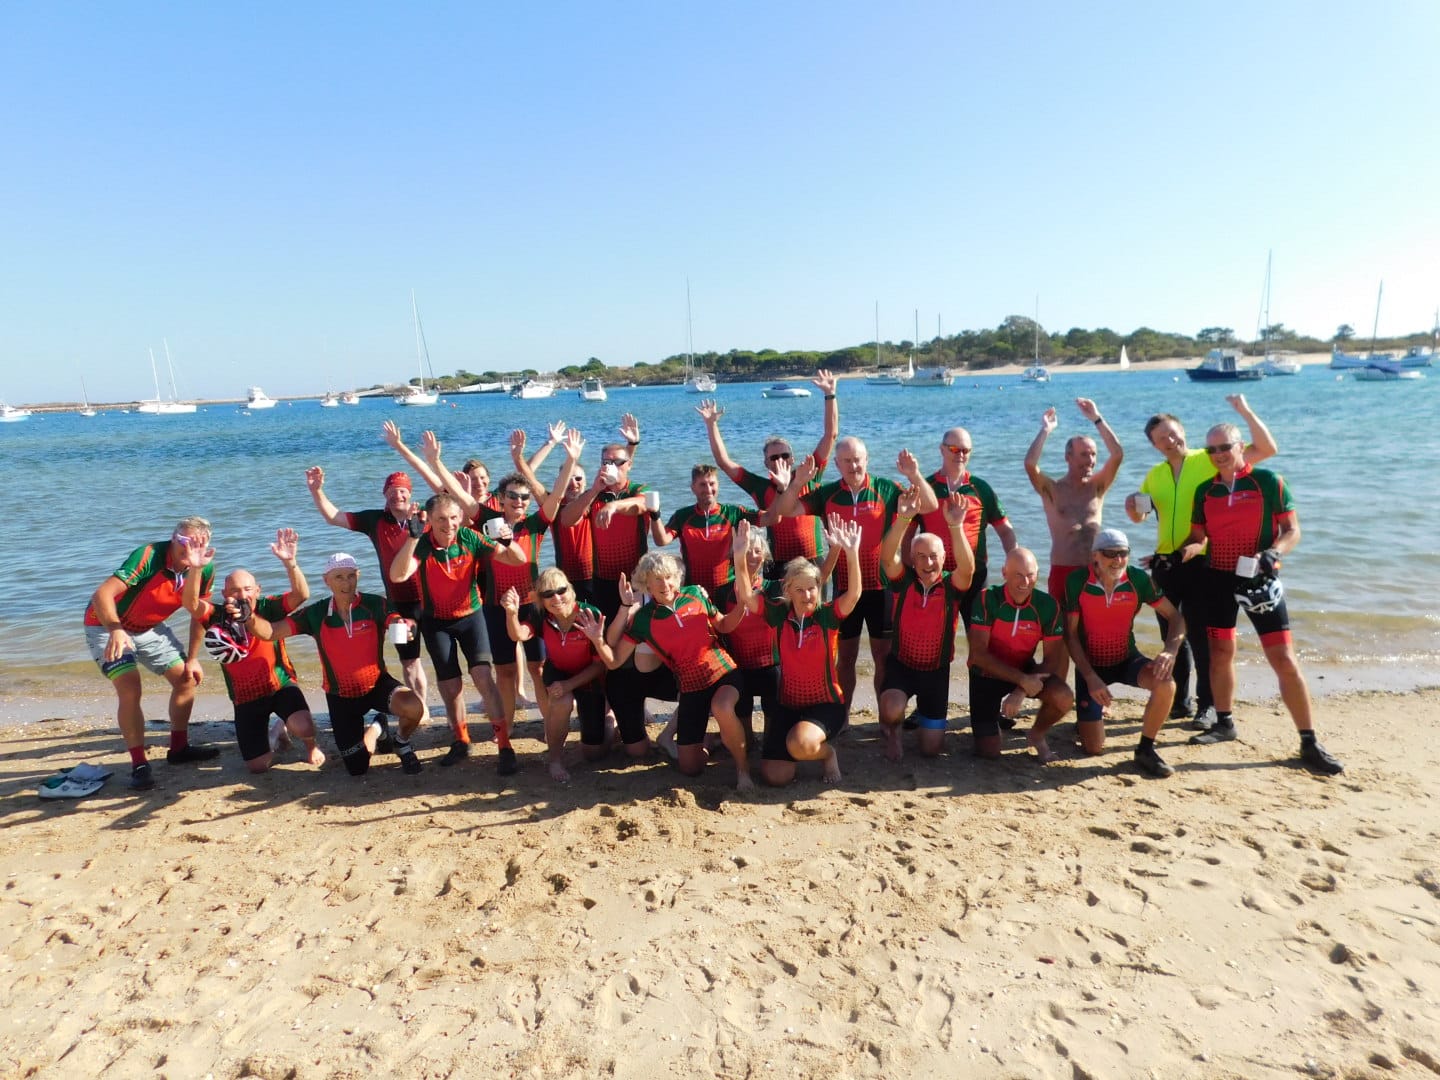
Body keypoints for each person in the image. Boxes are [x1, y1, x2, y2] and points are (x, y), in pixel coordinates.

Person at [1177, 425, 1344, 774]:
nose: (1218, 454)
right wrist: (1183, 553)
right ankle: (1224, 723)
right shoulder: (1205, 490)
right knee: (1220, 652)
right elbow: (1198, 536)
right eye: (1211, 450)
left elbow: (1292, 530)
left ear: (1241, 446)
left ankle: (1309, 741)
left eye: (1225, 446)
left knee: (1282, 657)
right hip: (1218, 580)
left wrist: (1274, 552)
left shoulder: (1268, 481)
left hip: (1259, 579)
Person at [1125, 394, 1278, 728]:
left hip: (1202, 559)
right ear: (1154, 444)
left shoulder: (1208, 459)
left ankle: (1208, 706)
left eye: (1173, 432)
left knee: (1200, 635)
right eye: (1162, 437)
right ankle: (1179, 702)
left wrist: (1245, 411)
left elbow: (1265, 449)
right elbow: (1141, 516)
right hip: (1165, 563)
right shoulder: (1154, 475)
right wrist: (1132, 508)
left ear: (1183, 431)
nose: (1170, 439)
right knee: (1171, 635)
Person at [422, 428, 584, 738]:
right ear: (502, 498)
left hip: (533, 605)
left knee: (538, 668)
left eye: (524, 497)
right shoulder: (488, 521)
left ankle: (550, 727)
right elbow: (460, 496)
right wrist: (435, 462)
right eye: (512, 496)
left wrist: (570, 460)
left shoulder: (535, 524)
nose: (519, 501)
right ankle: (505, 732)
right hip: (496, 605)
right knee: (505, 672)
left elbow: (556, 497)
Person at [770, 437, 938, 705]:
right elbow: (784, 510)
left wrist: (914, 475)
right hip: (846, 589)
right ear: (837, 464)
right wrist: (798, 481)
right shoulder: (828, 494)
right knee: (845, 658)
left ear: (867, 460)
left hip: (882, 588)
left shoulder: (886, 489)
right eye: (846, 461)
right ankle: (842, 715)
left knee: (883, 657)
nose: (853, 465)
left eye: (858, 459)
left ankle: (885, 717)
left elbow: (929, 505)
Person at [578, 547, 755, 791]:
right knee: (690, 768)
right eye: (658, 579)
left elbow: (723, 625)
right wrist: (598, 640)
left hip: (723, 672)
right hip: (691, 686)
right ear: (647, 584)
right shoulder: (643, 619)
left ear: (678, 577)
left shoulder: (695, 594)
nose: (665, 584)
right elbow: (615, 661)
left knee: (721, 707)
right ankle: (709, 743)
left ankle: (743, 771)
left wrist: (741, 606)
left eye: (669, 577)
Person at [250, 553, 428, 776]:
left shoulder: (375, 604)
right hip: (340, 696)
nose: (346, 583)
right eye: (339, 577)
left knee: (414, 707)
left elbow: (396, 622)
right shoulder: (316, 613)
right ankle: (377, 727)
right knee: (357, 768)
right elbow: (271, 632)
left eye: (351, 576)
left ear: (358, 575)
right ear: (327, 580)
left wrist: (406, 626)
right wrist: (249, 618)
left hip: (376, 685)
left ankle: (401, 742)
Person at [389, 492, 528, 773]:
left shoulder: (470, 538)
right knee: (451, 687)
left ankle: (504, 746)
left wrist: (507, 540)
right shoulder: (423, 545)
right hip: (436, 622)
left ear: (461, 517)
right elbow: (397, 575)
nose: (449, 524)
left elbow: (518, 560)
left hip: (471, 617)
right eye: (441, 519)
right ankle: (461, 740)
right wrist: (412, 538)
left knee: (483, 677)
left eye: (453, 517)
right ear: (429, 520)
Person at [84, 516, 220, 790]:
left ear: (207, 545)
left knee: (186, 679)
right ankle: (139, 764)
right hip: (106, 625)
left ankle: (179, 749)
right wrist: (115, 630)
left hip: (148, 628)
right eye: (184, 540)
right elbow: (102, 595)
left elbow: (199, 614)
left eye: (197, 543)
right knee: (130, 687)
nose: (189, 547)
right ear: (173, 538)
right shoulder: (149, 556)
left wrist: (193, 658)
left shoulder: (204, 569)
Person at [182, 529, 325, 774]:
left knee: (304, 727)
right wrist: (196, 569)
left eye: (248, 589)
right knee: (257, 767)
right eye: (235, 591)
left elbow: (302, 594)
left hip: (280, 685)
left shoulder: (269, 608)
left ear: (257, 590)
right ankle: (277, 732)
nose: (242, 595)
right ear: (225, 594)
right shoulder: (217, 615)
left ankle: (311, 746)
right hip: (245, 697)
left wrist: (290, 562)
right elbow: (191, 604)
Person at [736, 516, 863, 787]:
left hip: (826, 704)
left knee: (800, 744)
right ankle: (800, 742)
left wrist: (851, 554)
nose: (807, 596)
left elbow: (853, 595)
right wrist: (739, 557)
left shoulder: (827, 616)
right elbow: (746, 596)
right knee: (775, 776)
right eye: (800, 590)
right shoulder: (779, 615)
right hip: (789, 704)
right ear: (788, 591)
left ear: (819, 588)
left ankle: (827, 754)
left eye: (812, 589)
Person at [305, 461, 430, 714]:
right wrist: (317, 491)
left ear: (410, 493)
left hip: (430, 600)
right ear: (385, 495)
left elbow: (454, 516)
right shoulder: (375, 520)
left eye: (402, 490)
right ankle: (421, 709)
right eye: (392, 491)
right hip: (396, 605)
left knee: (439, 655)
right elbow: (334, 517)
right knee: (409, 661)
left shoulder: (424, 519)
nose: (397, 495)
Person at [1061, 528, 1186, 778]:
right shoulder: (1077, 582)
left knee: (1166, 684)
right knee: (1093, 748)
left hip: (1126, 659)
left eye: (1123, 553)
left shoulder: (1138, 580)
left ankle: (1145, 749)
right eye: (1110, 553)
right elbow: (1070, 636)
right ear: (1095, 556)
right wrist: (1090, 677)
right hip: (1091, 667)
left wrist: (1170, 651)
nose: (1118, 560)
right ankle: (1087, 718)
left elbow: (1175, 617)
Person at [696, 371, 839, 567]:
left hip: (813, 560)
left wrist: (830, 395)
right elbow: (724, 462)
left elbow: (831, 435)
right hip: (778, 564)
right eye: (774, 457)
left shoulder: (809, 474)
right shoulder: (761, 487)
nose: (780, 460)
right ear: (766, 463)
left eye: (785, 455)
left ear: (792, 459)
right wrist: (711, 425)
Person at [876, 489, 977, 761]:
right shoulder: (904, 582)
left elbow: (968, 569)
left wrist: (955, 526)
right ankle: (894, 732)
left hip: (936, 672)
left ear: (943, 558)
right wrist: (903, 519)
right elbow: (887, 557)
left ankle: (923, 716)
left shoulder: (951, 586)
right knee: (891, 708)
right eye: (920, 556)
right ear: (911, 558)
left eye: (933, 556)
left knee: (931, 749)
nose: (927, 562)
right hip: (902, 666)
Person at [502, 570, 615, 782]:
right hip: (558, 671)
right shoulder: (541, 615)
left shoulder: (589, 615)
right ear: (541, 599)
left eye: (561, 591)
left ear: (570, 590)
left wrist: (569, 684)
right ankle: (555, 759)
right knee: (561, 702)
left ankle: (610, 721)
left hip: (589, 676)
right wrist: (511, 613)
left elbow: (600, 666)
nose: (556, 598)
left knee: (593, 754)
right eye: (548, 594)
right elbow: (518, 635)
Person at [966, 547, 1074, 762]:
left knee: (1064, 697)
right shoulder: (987, 598)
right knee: (988, 752)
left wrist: (1021, 689)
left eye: (1030, 575)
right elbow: (978, 655)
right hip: (986, 674)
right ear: (1004, 573)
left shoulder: (1048, 605)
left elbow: (1052, 660)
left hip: (1023, 669)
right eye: (1018, 575)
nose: (1025, 582)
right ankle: (993, 719)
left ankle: (1037, 734)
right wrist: (1023, 681)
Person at [1023, 398, 1125, 604]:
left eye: (1094, 454)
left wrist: (1097, 418)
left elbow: (1117, 454)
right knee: (1059, 623)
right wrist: (1046, 429)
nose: (1091, 461)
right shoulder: (1052, 490)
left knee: (1094, 623)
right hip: (1063, 570)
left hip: (1095, 570)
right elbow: (1030, 464)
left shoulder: (1097, 487)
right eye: (1084, 454)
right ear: (1068, 457)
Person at [915, 426, 1017, 622]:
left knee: (980, 635)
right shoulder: (926, 489)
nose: (960, 455)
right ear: (942, 449)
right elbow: (907, 535)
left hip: (975, 576)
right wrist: (910, 572)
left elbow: (1005, 531)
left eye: (965, 450)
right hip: (935, 576)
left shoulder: (980, 488)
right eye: (954, 449)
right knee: (937, 636)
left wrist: (1014, 563)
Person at [557, 435, 652, 621]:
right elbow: (566, 519)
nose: (611, 466)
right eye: (606, 462)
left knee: (635, 630)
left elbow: (641, 505)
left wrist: (614, 506)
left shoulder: (638, 490)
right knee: (606, 629)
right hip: (603, 579)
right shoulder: (596, 496)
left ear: (629, 465)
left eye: (617, 462)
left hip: (637, 577)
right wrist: (594, 490)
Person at [650, 463, 763, 605]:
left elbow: (771, 517)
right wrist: (655, 515)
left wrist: (777, 489)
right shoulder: (683, 516)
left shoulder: (732, 513)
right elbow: (661, 540)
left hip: (727, 589)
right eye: (702, 485)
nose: (708, 489)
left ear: (718, 485)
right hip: (694, 590)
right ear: (693, 488)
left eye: (712, 484)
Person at [720, 527, 783, 749]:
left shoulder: (774, 588)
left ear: (765, 555)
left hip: (771, 665)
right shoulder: (724, 591)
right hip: (739, 666)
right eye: (746, 550)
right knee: (745, 733)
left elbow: (817, 580)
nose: (752, 556)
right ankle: (747, 738)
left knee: (772, 736)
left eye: (757, 551)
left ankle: (769, 739)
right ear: (735, 554)